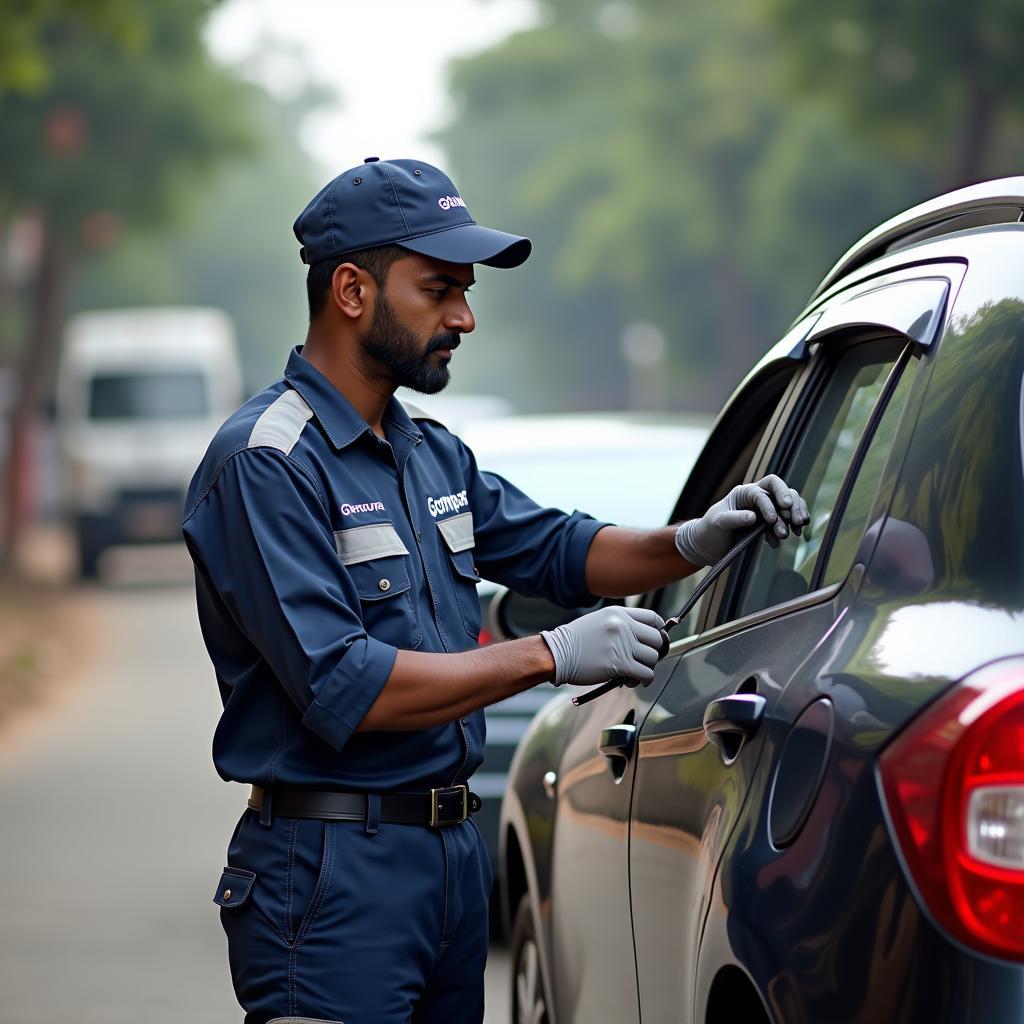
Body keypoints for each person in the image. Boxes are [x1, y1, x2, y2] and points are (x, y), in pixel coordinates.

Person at [182, 156, 809, 1024]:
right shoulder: (266, 463)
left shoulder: (428, 450)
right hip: (332, 874)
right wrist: (550, 653)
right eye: (438, 290)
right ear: (353, 291)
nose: (463, 317)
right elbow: (344, 683)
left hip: (447, 865)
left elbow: (558, 547)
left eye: (465, 292)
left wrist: (694, 540)